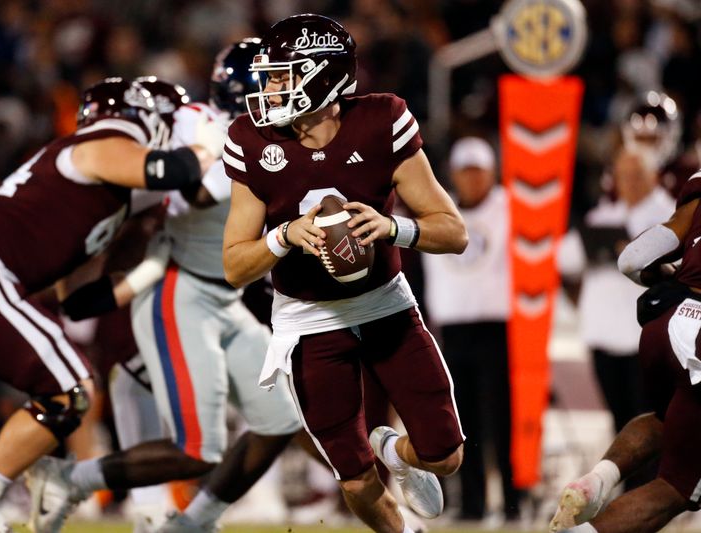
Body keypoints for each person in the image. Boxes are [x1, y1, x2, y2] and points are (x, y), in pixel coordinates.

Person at [0, 77, 219, 533]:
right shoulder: (104, 142)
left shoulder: (101, 188)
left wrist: (146, 265)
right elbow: (173, 171)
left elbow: (79, 298)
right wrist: (206, 147)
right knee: (71, 391)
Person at [26, 43, 304, 533]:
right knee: (198, 449)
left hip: (225, 295)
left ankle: (193, 522)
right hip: (182, 292)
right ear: (247, 90)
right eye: (279, 84)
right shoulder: (202, 124)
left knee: (279, 419)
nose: (288, 94)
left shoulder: (268, 139)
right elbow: (196, 190)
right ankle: (69, 478)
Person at [222, 13, 467, 533]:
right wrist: (284, 237)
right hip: (308, 320)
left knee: (444, 455)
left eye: (281, 76)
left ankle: (393, 449)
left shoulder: (383, 120)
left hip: (385, 306)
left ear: (322, 76)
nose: (268, 88)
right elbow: (234, 264)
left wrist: (392, 228)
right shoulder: (249, 138)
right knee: (354, 477)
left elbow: (453, 231)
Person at [550, 168, 701, 533]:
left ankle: (596, 481)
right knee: (677, 487)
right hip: (697, 338)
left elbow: (630, 260)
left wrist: (671, 276)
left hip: (665, 322)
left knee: (667, 419)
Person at [421, 136, 520, 522]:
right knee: (464, 423)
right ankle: (474, 505)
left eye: (479, 171)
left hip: (499, 327)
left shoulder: (508, 207)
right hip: (453, 331)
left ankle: (514, 500)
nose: (473, 179)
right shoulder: (440, 210)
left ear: (492, 173)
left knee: (504, 419)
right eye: (466, 171)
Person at [558, 149, 674, 437]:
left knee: (652, 422)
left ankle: (653, 480)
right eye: (624, 176)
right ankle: (628, 481)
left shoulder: (672, 214)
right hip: (604, 336)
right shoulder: (603, 216)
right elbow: (563, 258)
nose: (630, 183)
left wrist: (631, 252)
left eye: (637, 176)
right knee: (619, 420)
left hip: (648, 339)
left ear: (655, 177)